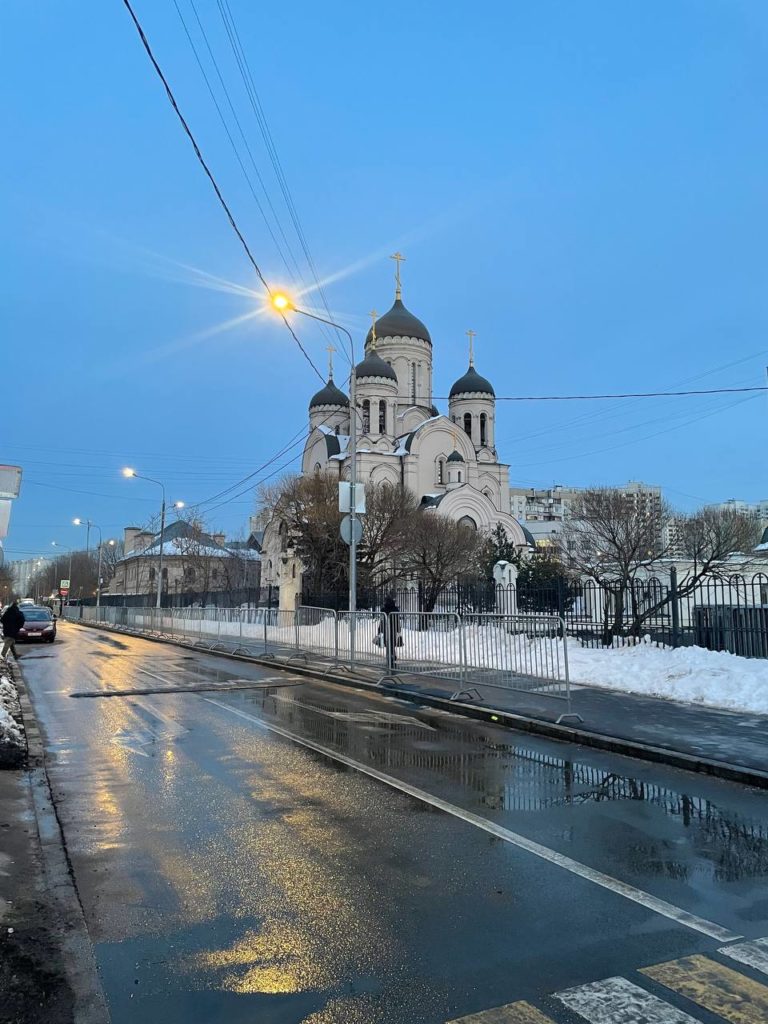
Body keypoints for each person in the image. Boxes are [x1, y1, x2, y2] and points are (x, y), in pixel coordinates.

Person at [380, 594, 402, 672]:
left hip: (388, 628)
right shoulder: (394, 609)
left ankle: (390, 655)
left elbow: (382, 621)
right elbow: (397, 621)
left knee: (388, 642)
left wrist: (380, 629)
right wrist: (399, 629)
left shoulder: (385, 610)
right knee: (391, 642)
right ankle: (391, 655)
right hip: (392, 628)